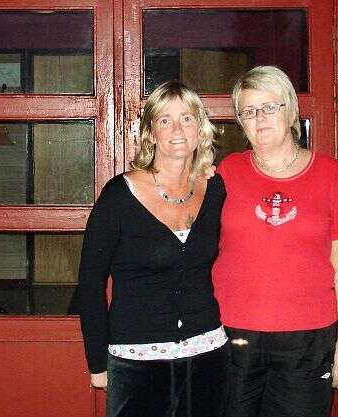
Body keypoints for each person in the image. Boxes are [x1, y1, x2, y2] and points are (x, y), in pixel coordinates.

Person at [212, 66, 338, 417]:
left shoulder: (328, 173)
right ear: (241, 122)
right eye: (249, 111)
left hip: (307, 338)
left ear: (291, 110)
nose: (259, 118)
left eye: (269, 107)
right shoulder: (226, 172)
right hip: (233, 334)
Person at [78, 81, 228, 417]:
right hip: (137, 361)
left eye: (187, 118)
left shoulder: (216, 188)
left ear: (200, 129)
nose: (177, 129)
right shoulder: (119, 195)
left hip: (207, 356)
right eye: (165, 120)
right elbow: (90, 283)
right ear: (150, 133)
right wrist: (97, 362)